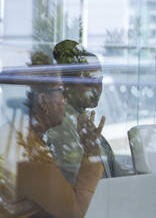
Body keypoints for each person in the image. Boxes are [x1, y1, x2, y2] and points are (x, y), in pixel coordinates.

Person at [4, 51, 105, 218]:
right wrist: (91, 151)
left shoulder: (17, 133)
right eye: (62, 92)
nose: (66, 99)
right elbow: (77, 214)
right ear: (43, 101)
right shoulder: (30, 152)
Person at [51, 39, 131, 180]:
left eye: (99, 81)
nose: (97, 88)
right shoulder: (61, 127)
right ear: (68, 84)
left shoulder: (83, 122)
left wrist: (137, 176)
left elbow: (112, 169)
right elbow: (80, 181)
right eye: (89, 81)